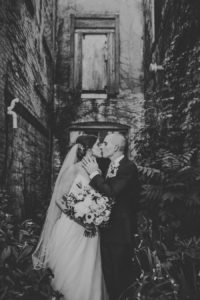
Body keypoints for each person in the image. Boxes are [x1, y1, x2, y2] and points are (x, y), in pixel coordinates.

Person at [32, 134, 108, 300]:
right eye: (97, 145)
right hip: (74, 225)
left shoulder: (97, 169)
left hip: (91, 227)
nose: (100, 147)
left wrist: (95, 215)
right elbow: (59, 198)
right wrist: (80, 218)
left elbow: (99, 195)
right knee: (71, 265)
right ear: (87, 149)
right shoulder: (72, 169)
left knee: (89, 266)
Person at [82, 132, 140, 300]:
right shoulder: (107, 165)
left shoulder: (128, 167)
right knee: (108, 276)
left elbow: (111, 192)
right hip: (106, 230)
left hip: (121, 232)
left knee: (120, 277)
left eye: (105, 143)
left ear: (115, 147)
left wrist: (94, 174)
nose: (102, 146)